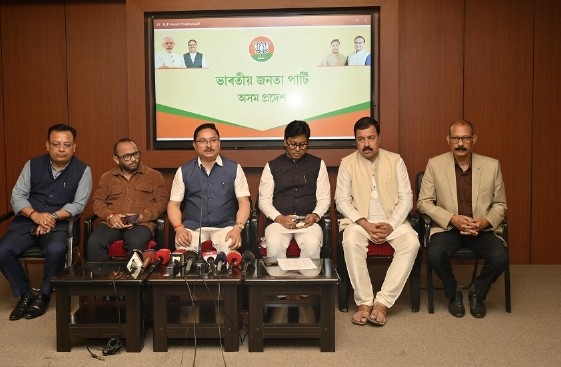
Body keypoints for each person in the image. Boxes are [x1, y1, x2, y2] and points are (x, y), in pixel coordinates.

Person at [0, 124, 92, 320]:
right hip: (27, 221)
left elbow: (78, 205)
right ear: (47, 145)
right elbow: (18, 196)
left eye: (67, 144)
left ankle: (44, 295)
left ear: (75, 146)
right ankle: (26, 294)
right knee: (2, 251)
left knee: (56, 250)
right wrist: (35, 216)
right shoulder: (32, 165)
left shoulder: (83, 170)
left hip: (60, 224)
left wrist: (52, 217)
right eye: (56, 144)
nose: (61, 149)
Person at [417, 119, 508, 319]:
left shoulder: (492, 166)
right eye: (456, 138)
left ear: (473, 139)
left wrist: (484, 221)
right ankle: (454, 294)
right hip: (448, 228)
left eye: (465, 138)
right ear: (448, 140)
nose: (460, 143)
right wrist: (452, 218)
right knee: (435, 254)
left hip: (480, 228)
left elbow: (500, 205)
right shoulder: (435, 164)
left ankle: (477, 294)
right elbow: (423, 202)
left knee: (500, 257)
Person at [335, 117, 419, 326]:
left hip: (393, 222)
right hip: (360, 223)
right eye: (361, 139)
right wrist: (364, 223)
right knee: (350, 241)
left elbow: (407, 198)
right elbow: (342, 201)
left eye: (371, 138)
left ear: (379, 139)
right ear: (356, 141)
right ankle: (364, 302)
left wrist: (390, 225)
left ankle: (382, 302)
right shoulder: (347, 163)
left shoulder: (395, 160)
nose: (366, 144)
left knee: (412, 243)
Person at [168, 123, 250, 254]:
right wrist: (179, 228)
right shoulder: (184, 171)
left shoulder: (234, 168)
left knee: (230, 250)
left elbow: (244, 202)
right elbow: (174, 204)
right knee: (184, 255)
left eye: (213, 140)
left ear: (219, 142)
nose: (209, 145)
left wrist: (237, 228)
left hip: (225, 227)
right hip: (193, 228)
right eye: (203, 141)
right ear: (194, 145)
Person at [86, 138, 169, 260]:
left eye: (135, 154)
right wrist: (111, 216)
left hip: (141, 224)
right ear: (116, 159)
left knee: (135, 242)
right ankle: (104, 278)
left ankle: (133, 279)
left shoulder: (154, 176)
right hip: (112, 223)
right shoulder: (107, 177)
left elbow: (162, 202)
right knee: (95, 242)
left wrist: (142, 217)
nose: (133, 159)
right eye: (127, 156)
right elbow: (98, 202)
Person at [258, 120, 330, 260]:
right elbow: (264, 201)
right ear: (285, 142)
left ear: (308, 143)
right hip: (278, 222)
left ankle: (308, 281)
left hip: (309, 223)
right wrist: (279, 218)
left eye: (302, 145)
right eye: (293, 144)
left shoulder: (318, 164)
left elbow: (324, 199)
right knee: (274, 244)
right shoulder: (272, 166)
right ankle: (278, 281)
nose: (297, 149)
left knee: (312, 244)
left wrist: (315, 215)